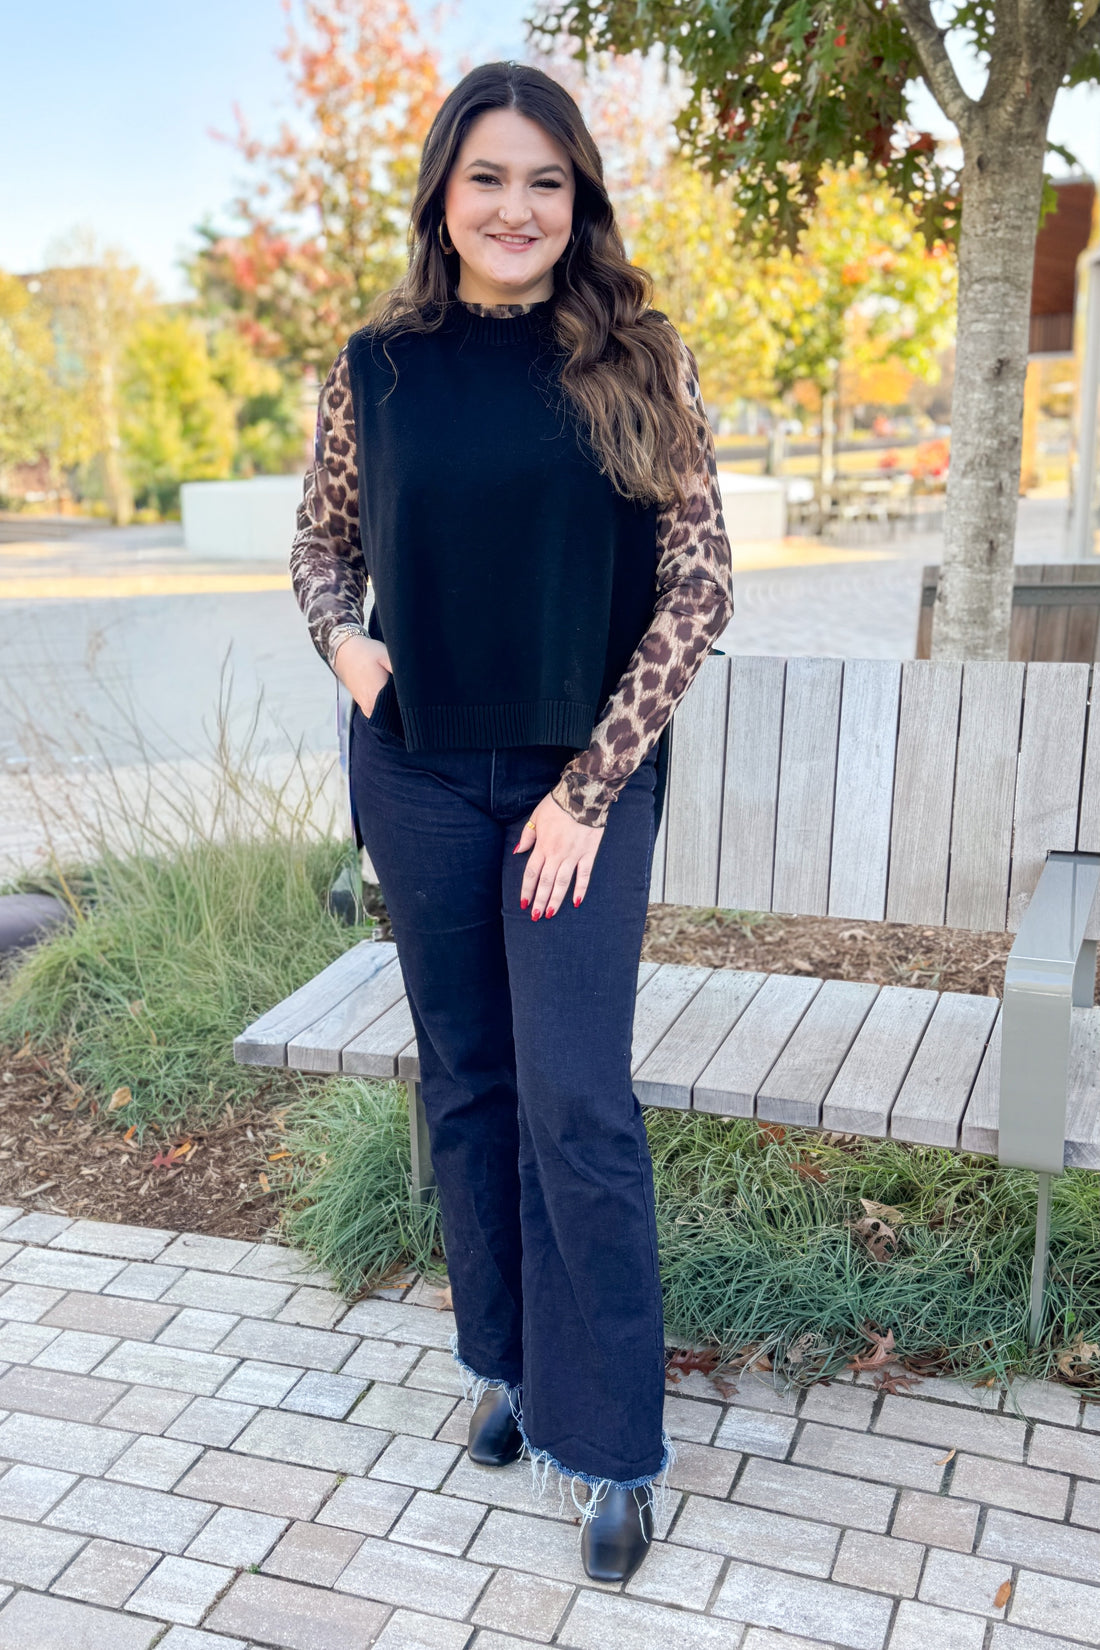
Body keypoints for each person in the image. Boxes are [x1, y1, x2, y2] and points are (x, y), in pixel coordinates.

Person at [290, 59, 734, 1585]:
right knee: (468, 1081)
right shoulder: (375, 368)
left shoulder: (641, 359)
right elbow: (320, 547)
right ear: (443, 196)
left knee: (576, 1099)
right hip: (417, 775)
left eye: (547, 180)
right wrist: (347, 647)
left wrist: (590, 788)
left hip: (577, 791)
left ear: (578, 198)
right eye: (488, 177)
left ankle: (611, 1442)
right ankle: (507, 1365)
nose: (517, 207)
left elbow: (699, 587)